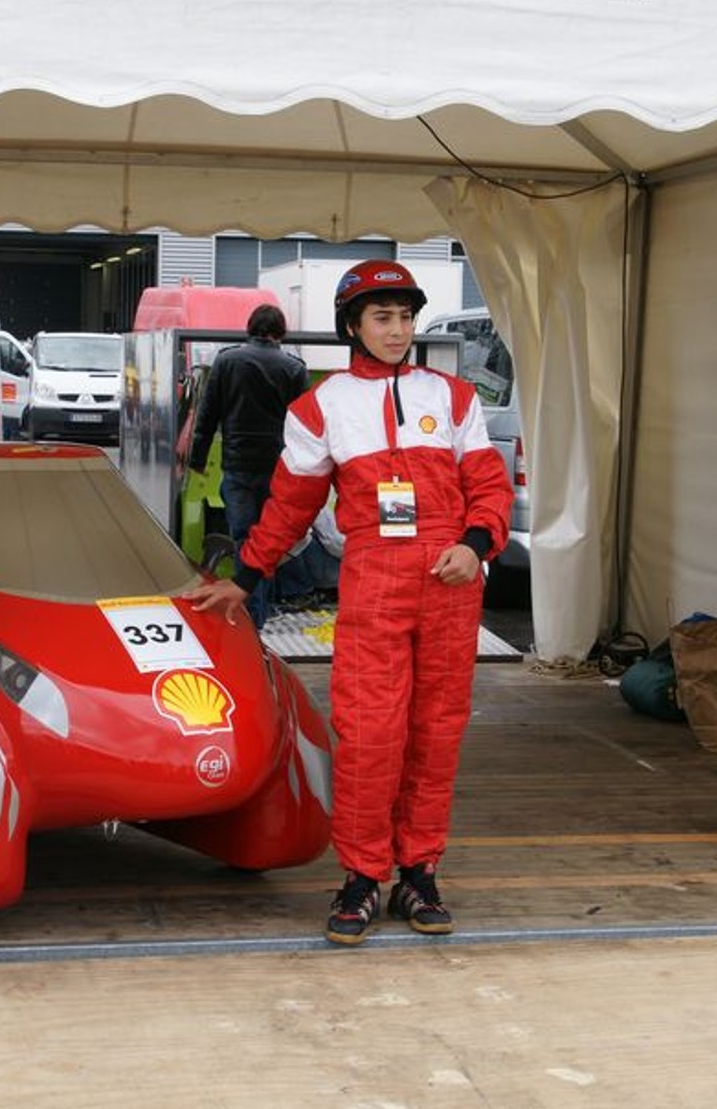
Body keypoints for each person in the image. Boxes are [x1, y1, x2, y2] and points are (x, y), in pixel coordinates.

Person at [183, 260, 512, 945]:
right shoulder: (319, 407)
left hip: (451, 587)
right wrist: (245, 575)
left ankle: (418, 872)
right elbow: (289, 508)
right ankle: (362, 877)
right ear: (352, 327)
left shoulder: (452, 397)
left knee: (435, 734)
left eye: (404, 317)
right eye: (382, 318)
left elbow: (489, 484)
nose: (397, 331)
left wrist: (476, 545)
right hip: (376, 587)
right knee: (368, 737)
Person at [187, 302, 308, 628]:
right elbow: (305, 424)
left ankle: (251, 616)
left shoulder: (226, 361)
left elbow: (207, 415)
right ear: (280, 332)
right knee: (269, 541)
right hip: (277, 468)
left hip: (237, 466)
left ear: (250, 328)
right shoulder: (294, 368)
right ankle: (261, 611)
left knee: (244, 539)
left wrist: (197, 459)